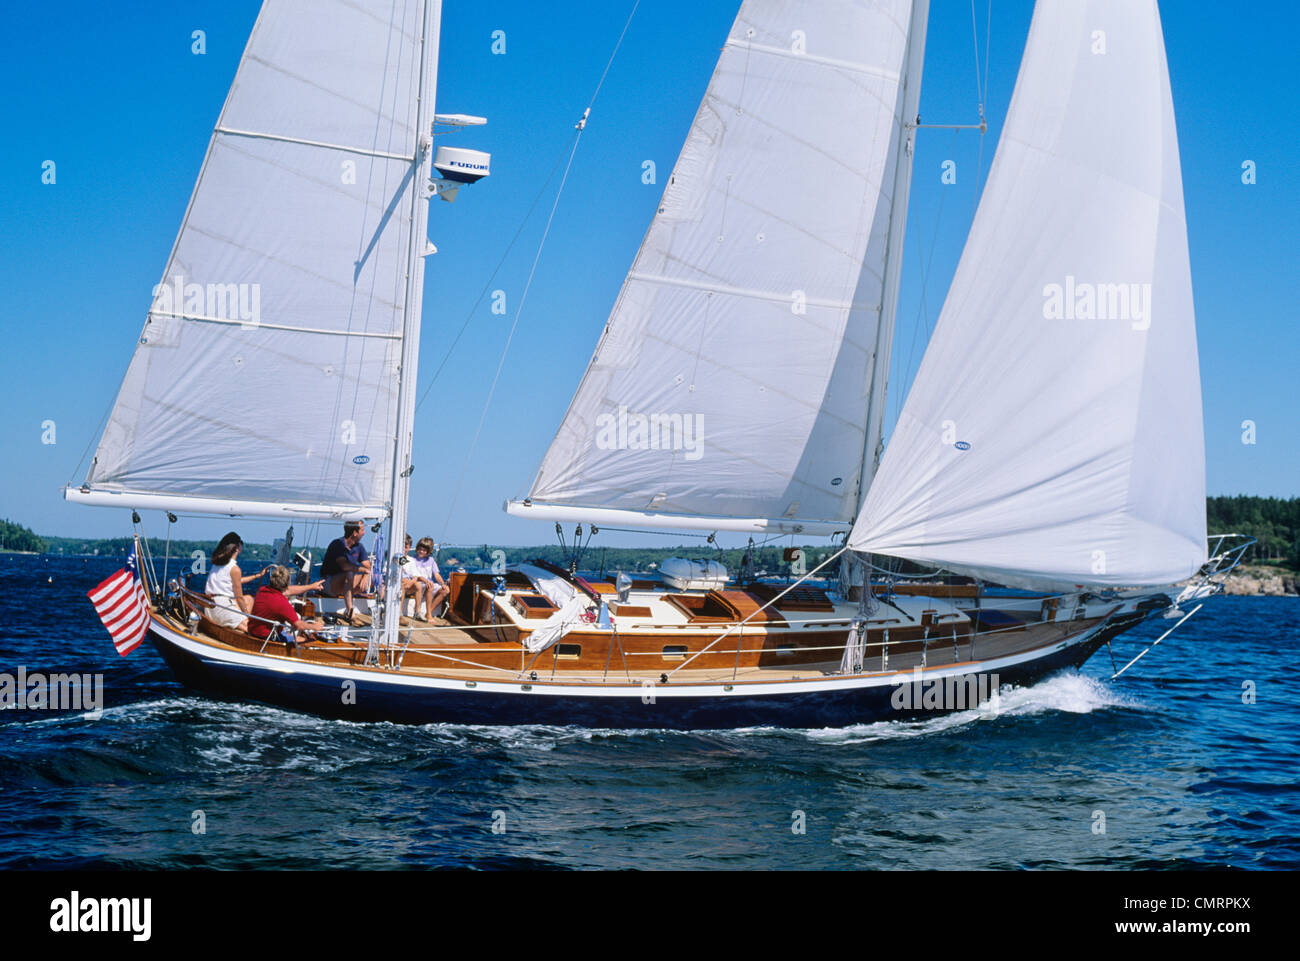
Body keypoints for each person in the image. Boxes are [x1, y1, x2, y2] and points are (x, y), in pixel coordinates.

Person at [205, 532, 266, 631]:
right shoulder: (235, 569)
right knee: (253, 629)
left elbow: (234, 581)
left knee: (249, 599)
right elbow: (239, 598)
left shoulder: (217, 564)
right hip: (222, 609)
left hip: (210, 607)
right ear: (237, 548)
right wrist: (249, 617)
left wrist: (257, 576)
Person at [249, 565, 325, 642]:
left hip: (253, 632)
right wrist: (314, 626)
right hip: (266, 639)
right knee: (304, 640)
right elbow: (299, 625)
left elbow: (289, 590)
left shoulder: (263, 590)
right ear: (288, 582)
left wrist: (311, 586)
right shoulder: (282, 603)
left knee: (289, 635)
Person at [319, 521, 372, 623]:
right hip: (328, 583)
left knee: (376, 578)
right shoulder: (337, 544)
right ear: (355, 533)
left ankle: (386, 613)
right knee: (349, 573)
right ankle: (350, 612)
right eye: (362, 530)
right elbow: (345, 566)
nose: (364, 533)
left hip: (345, 584)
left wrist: (366, 574)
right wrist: (363, 570)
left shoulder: (359, 547)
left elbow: (368, 566)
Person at [401, 536, 449, 621]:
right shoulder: (413, 559)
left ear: (428, 551)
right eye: (419, 549)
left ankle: (428, 612)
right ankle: (429, 615)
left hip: (428, 583)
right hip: (420, 584)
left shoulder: (431, 560)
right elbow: (416, 576)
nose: (421, 551)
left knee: (446, 590)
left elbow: (436, 574)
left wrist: (443, 584)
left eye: (424, 550)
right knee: (429, 586)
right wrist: (426, 581)